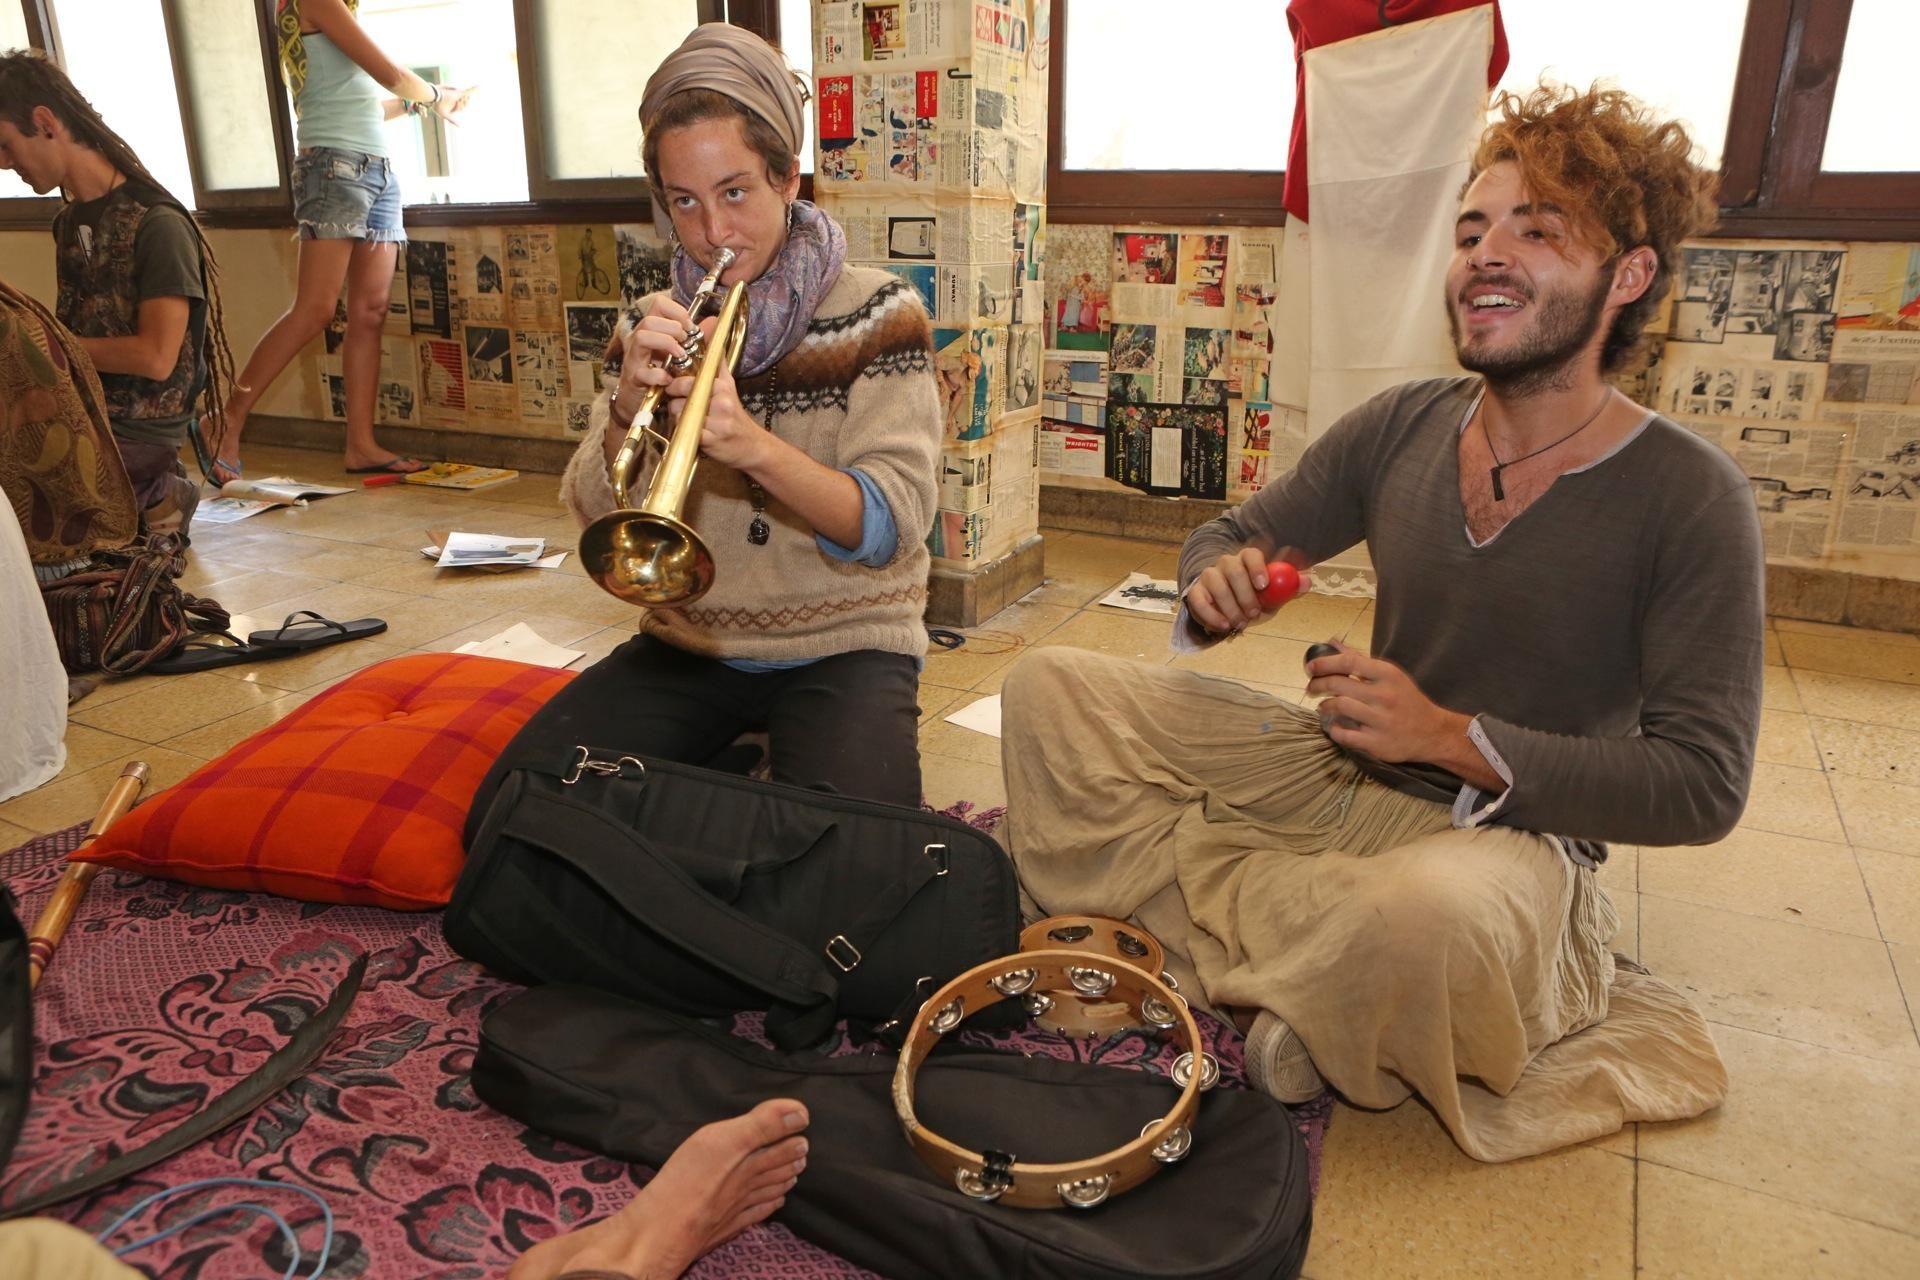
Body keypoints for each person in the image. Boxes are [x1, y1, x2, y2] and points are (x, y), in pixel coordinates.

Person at [1000, 84, 1761, 1163]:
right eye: (1472, 230)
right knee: (1049, 691)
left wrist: (1452, 738)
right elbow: (1234, 534)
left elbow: (1703, 784)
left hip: (1506, 837)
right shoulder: (1405, 424)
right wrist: (1221, 583)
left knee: (1427, 920)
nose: (1486, 256)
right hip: (1343, 777)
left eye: (1536, 231)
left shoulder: (1691, 496)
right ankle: (1311, 987)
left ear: (1627, 276)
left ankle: (1225, 945)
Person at [469, 24, 941, 819]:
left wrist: (753, 448)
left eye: (735, 192)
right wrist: (625, 409)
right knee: (515, 808)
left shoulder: (880, 312)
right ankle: (730, 768)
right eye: (684, 201)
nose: (713, 232)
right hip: (694, 642)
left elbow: (892, 526)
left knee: (857, 860)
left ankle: (721, 777)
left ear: (787, 177)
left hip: (849, 642)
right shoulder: (655, 321)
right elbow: (600, 515)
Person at [209, 0, 471, 482]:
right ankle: (227, 419)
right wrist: (437, 96)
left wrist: (417, 103)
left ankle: (361, 445)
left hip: (376, 171)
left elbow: (358, 102)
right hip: (333, 168)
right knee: (314, 309)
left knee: (370, 312)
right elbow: (391, 74)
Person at [0, 51, 237, 540]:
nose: (4, 164)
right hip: (81, 412)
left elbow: (156, 357)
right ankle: (142, 498)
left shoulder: (159, 223)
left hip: (138, 429)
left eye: (5, 145)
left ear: (44, 123)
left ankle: (156, 491)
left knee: (22, 483)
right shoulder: (69, 223)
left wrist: (43, 341)